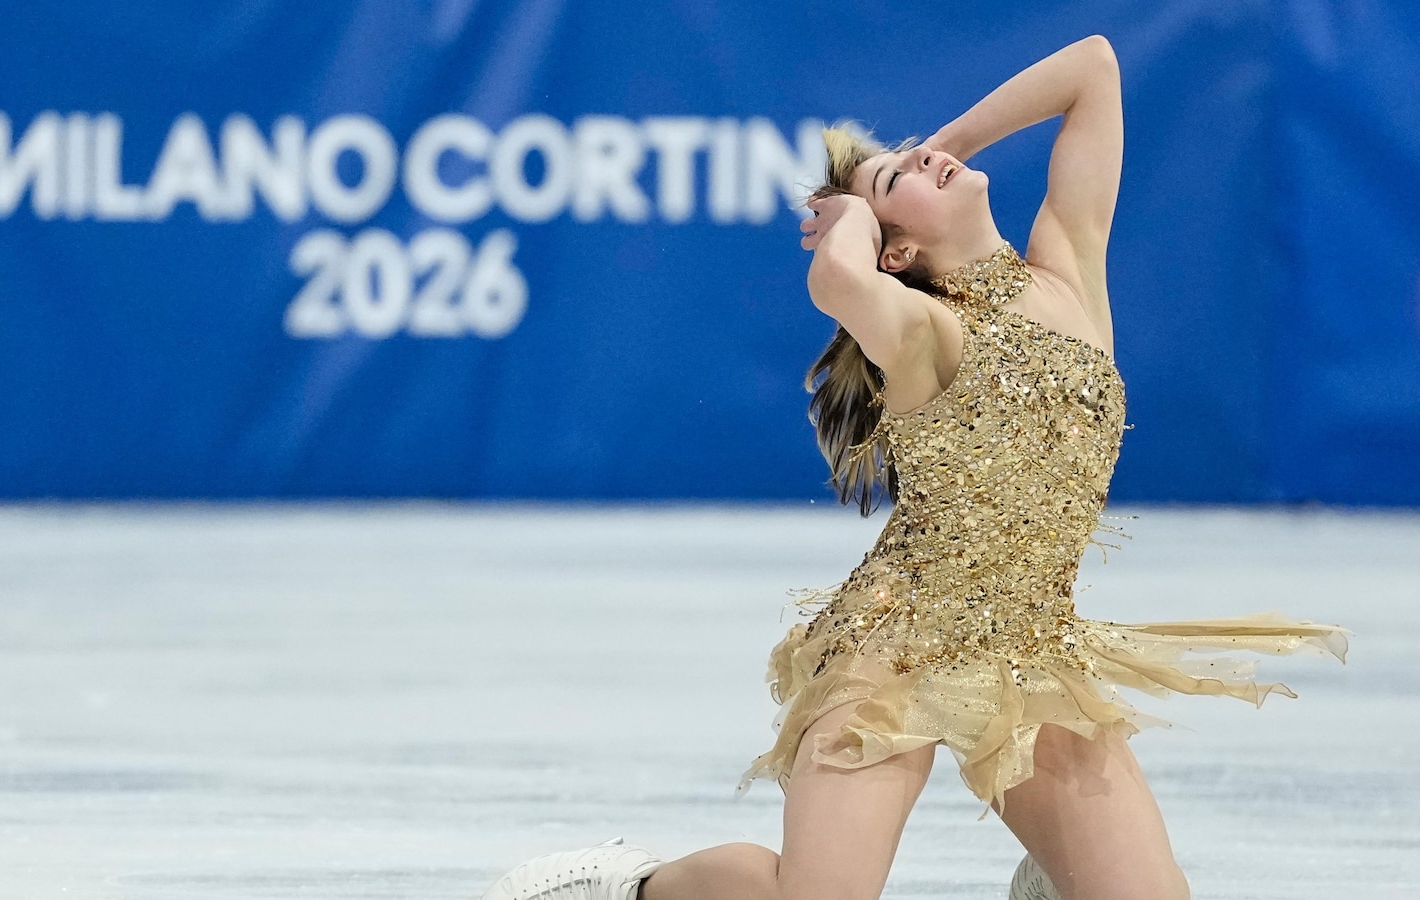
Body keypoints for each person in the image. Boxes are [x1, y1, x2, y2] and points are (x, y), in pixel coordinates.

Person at [479, 34, 1350, 900]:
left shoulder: (1070, 266)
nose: (924, 162)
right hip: (895, 649)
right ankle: (633, 884)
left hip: (1027, 651)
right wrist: (856, 217)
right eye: (901, 178)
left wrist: (946, 147)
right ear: (896, 254)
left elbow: (1093, 67)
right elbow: (836, 283)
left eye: (914, 158)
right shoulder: (927, 334)